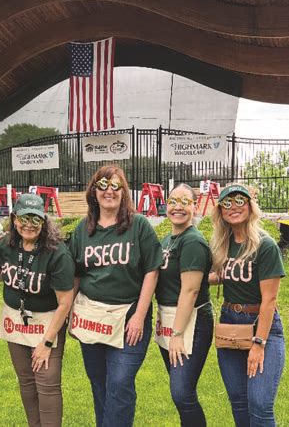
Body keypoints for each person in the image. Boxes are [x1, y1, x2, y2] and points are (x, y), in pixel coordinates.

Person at [69, 165, 163, 427]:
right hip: (91, 316)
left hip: (129, 317)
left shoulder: (138, 226)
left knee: (120, 383)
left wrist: (139, 316)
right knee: (99, 381)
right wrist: (69, 314)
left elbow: (152, 270)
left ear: (124, 192)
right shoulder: (82, 230)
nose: (109, 191)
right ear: (94, 191)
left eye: (115, 186)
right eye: (103, 185)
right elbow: (75, 275)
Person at [0, 194, 74, 427]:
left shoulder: (57, 253)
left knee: (47, 382)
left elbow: (65, 302)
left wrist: (46, 343)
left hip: (48, 323)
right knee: (26, 382)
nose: (29, 224)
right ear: (14, 219)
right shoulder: (6, 246)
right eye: (24, 218)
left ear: (44, 221)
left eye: (35, 219)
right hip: (16, 321)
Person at [210, 183, 285, 427]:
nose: (234, 207)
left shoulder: (265, 245)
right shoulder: (223, 243)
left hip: (260, 325)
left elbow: (269, 300)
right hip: (230, 322)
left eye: (240, 201)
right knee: (239, 401)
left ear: (250, 206)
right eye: (227, 203)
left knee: (260, 405)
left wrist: (259, 344)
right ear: (221, 211)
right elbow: (224, 275)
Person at [155, 183, 213, 427]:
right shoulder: (167, 240)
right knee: (181, 391)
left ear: (195, 206)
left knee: (182, 392)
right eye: (172, 201)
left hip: (191, 322)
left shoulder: (192, 241)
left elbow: (190, 290)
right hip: (168, 318)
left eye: (184, 202)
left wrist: (177, 335)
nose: (177, 207)